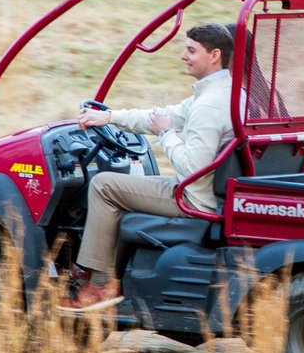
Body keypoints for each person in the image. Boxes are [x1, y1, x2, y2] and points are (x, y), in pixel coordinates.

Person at [63, 22, 234, 309]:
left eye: (191, 50)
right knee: (126, 184)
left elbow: (192, 167)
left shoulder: (209, 106)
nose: (183, 55)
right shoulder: (226, 93)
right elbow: (162, 116)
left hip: (195, 197)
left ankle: (101, 284)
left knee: (104, 185)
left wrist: (167, 134)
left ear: (214, 55)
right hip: (209, 191)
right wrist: (110, 117)